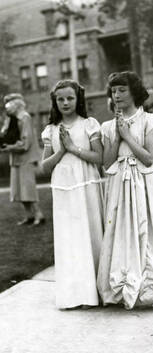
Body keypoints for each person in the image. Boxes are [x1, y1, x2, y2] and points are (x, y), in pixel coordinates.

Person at [97, 71, 153, 310]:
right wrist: (117, 135)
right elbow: (106, 163)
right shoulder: (107, 126)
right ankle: (123, 286)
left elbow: (148, 157)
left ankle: (151, 286)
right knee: (122, 231)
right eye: (113, 91)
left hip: (144, 181)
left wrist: (127, 135)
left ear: (134, 91)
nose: (116, 95)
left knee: (148, 230)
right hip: (120, 183)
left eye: (121, 90)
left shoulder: (149, 120)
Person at [41, 79, 103, 310]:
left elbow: (99, 158)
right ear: (55, 102)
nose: (65, 103)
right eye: (60, 99)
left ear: (78, 100)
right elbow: (44, 167)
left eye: (70, 98)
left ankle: (92, 294)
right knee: (69, 238)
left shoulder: (89, 124)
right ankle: (72, 295)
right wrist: (61, 151)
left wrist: (74, 148)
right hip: (63, 189)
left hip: (85, 184)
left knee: (89, 235)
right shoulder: (50, 130)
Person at [0, 93, 44, 226]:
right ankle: (29, 216)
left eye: (9, 104)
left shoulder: (25, 118)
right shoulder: (10, 119)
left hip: (26, 158)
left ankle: (39, 215)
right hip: (16, 159)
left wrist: (9, 147)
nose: (6, 107)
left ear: (17, 104)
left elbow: (26, 143)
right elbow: (5, 135)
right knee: (18, 190)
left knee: (28, 189)